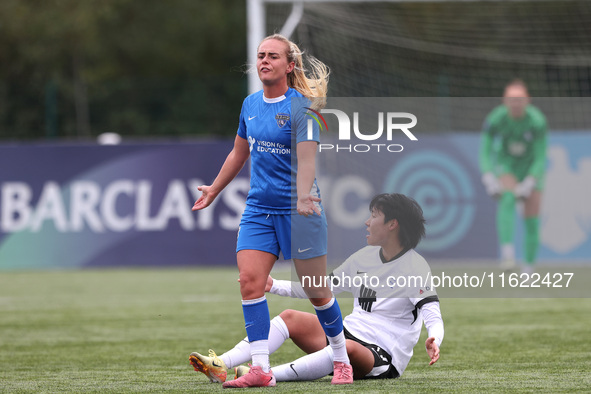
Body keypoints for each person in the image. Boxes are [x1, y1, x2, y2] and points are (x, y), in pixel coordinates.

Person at [190, 34, 352, 388]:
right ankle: (261, 369)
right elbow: (238, 152)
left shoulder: (302, 108)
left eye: (273, 56)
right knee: (250, 282)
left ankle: (342, 359)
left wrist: (304, 195)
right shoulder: (250, 104)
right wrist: (215, 189)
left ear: (289, 65)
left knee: (317, 292)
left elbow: (307, 158)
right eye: (260, 55)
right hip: (259, 210)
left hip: (300, 211)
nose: (264, 61)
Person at [190, 193, 444, 383]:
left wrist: (435, 338)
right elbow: (320, 288)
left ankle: (269, 375)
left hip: (382, 356)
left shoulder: (414, 267)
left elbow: (432, 313)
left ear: (392, 225)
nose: (367, 222)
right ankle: (222, 363)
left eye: (374, 216)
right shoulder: (365, 257)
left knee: (347, 348)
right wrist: (274, 285)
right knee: (291, 317)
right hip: (349, 333)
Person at [479, 79, 548, 274]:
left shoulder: (537, 122)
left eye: (520, 99)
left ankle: (528, 268)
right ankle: (508, 255)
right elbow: (485, 150)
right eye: (511, 99)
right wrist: (488, 176)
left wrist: (531, 180)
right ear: (504, 101)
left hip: (531, 168)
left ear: (528, 100)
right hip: (508, 165)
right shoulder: (496, 119)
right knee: (507, 198)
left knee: (531, 218)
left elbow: (541, 156)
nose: (515, 104)